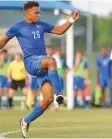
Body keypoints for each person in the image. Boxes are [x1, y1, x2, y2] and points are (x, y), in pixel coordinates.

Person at [0, 1, 80, 137]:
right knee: (51, 60)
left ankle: (25, 121)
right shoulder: (18, 27)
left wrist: (71, 19)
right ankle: (59, 94)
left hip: (43, 65)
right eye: (35, 12)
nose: (38, 15)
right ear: (27, 13)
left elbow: (59, 31)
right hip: (31, 62)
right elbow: (3, 42)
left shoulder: (41, 25)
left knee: (47, 99)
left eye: (39, 12)